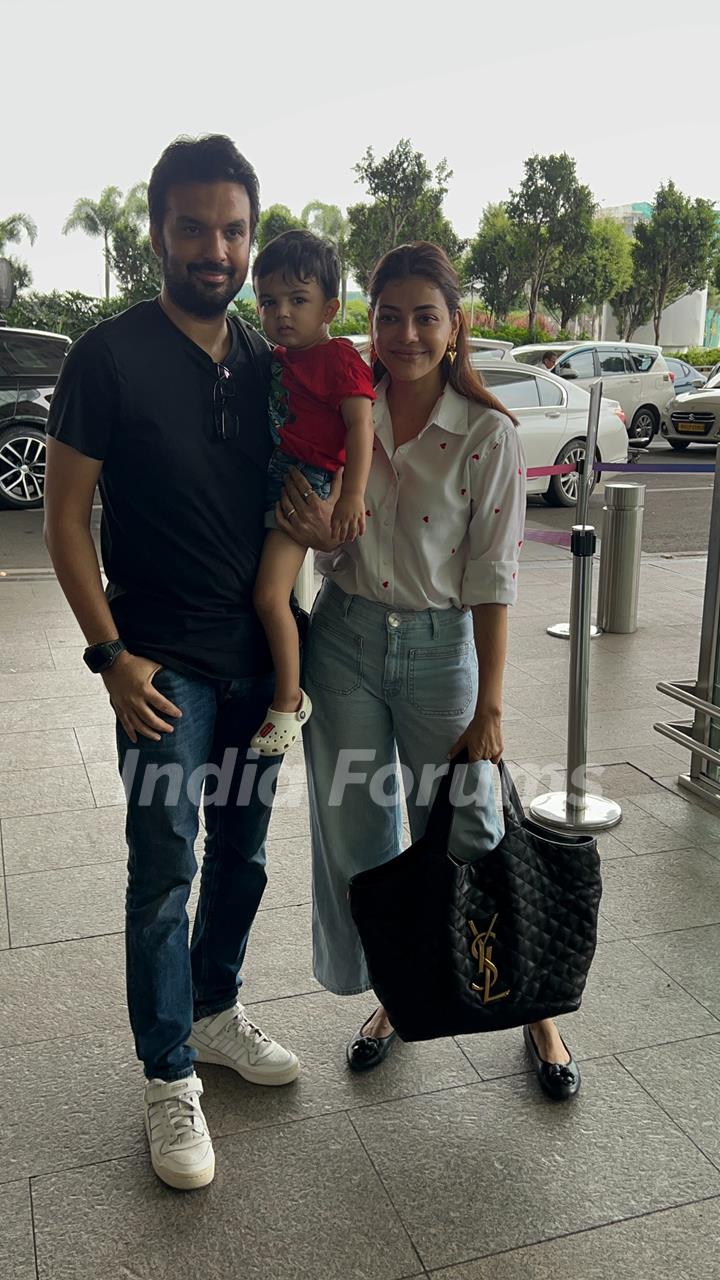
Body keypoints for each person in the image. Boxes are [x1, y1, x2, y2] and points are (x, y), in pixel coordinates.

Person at [44, 135, 300, 1193]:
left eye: (233, 228)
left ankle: (214, 1008)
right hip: (163, 677)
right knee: (165, 874)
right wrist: (108, 655)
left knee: (241, 859)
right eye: (193, 226)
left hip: (259, 671)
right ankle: (167, 1074)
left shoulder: (268, 357)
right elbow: (64, 522)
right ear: (157, 232)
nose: (216, 247)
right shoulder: (105, 357)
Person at [276, 242, 581, 1102]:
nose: (405, 333)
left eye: (425, 317)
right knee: (361, 841)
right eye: (389, 315)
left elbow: (494, 580)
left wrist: (490, 705)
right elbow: (298, 511)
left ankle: (535, 1007)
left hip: (442, 648)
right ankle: (395, 998)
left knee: (473, 828)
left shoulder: (488, 434)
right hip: (343, 644)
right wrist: (309, 526)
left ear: (455, 329)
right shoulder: (342, 414)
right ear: (366, 322)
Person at [249, 230, 375, 756]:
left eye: (298, 301)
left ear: (329, 308)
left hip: (310, 480)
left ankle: (288, 699)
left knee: (269, 595)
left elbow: (360, 427)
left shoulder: (339, 359)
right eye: (269, 301)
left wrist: (350, 496)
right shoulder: (278, 357)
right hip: (278, 471)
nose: (282, 312)